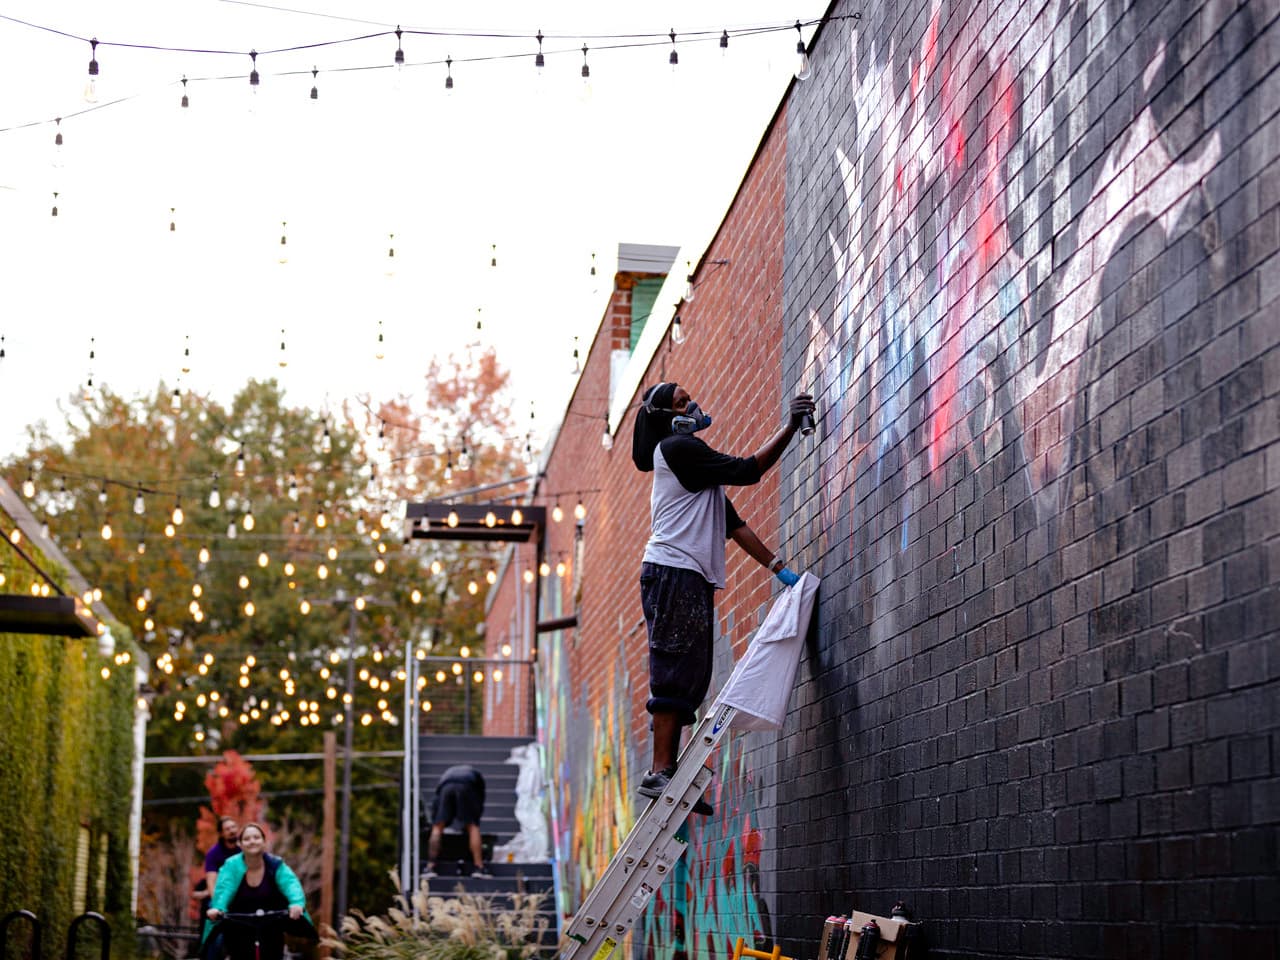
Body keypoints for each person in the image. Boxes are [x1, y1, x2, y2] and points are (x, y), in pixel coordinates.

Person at [631, 382, 814, 815]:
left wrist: (779, 570)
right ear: (667, 417)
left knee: (693, 672)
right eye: (681, 403)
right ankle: (660, 771)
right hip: (673, 572)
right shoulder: (678, 448)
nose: (692, 405)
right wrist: (789, 427)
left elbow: (734, 525)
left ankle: (668, 771)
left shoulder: (695, 467)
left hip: (686, 576)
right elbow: (749, 470)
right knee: (675, 667)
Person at [202, 822, 313, 960]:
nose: (252, 841)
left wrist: (296, 904)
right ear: (240, 844)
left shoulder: (275, 864)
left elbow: (291, 885)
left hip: (271, 924)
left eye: (256, 837)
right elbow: (224, 890)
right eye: (247, 839)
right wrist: (218, 908)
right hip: (238, 925)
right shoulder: (231, 865)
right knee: (220, 948)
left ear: (264, 842)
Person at [425, 764, 491, 878]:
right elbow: (478, 804)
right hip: (467, 786)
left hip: (445, 787)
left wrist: (438, 820)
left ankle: (430, 867)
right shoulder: (475, 775)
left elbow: (436, 803)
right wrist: (471, 820)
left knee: (437, 827)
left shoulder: (447, 775)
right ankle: (479, 867)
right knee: (472, 826)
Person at [197, 816, 240, 913]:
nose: (232, 831)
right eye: (227, 829)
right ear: (221, 833)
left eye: (233, 827)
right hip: (222, 894)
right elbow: (212, 882)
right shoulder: (213, 853)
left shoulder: (243, 850)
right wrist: (218, 905)